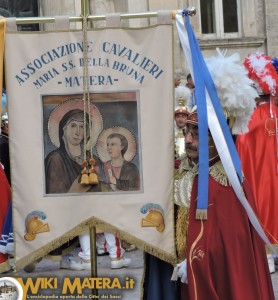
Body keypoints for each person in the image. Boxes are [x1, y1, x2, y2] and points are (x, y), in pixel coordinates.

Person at [174, 107, 275, 300]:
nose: (187, 140)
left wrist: (193, 258)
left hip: (214, 276)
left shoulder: (226, 182)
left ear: (216, 140)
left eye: (196, 135)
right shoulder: (185, 171)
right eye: (186, 132)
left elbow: (232, 246)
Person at [236, 53, 278, 274]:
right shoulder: (258, 117)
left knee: (266, 206)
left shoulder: (255, 118)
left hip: (264, 176)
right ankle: (268, 254)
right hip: (265, 175)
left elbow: (243, 149)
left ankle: (268, 255)